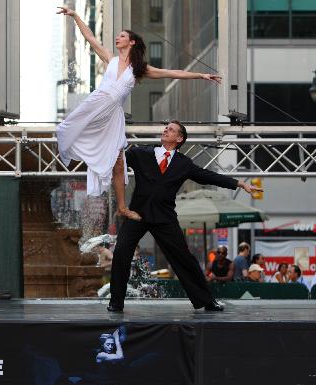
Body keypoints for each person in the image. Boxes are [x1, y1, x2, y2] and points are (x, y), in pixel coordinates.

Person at [56, 6, 221, 221]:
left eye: (122, 36)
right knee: (66, 129)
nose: (117, 38)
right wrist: (75, 16)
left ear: (132, 42)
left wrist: (200, 75)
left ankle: (123, 207)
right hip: (97, 103)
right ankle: (75, 152)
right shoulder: (110, 59)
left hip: (113, 114)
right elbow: (90, 38)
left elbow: (172, 73)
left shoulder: (138, 69)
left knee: (119, 162)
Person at [107, 121, 263, 313]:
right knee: (121, 252)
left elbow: (208, 176)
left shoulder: (183, 164)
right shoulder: (141, 153)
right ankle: (116, 302)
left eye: (171, 129)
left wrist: (239, 183)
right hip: (137, 214)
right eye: (166, 127)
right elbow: (116, 158)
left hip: (164, 217)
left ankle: (207, 300)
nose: (165, 130)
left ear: (179, 139)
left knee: (184, 259)